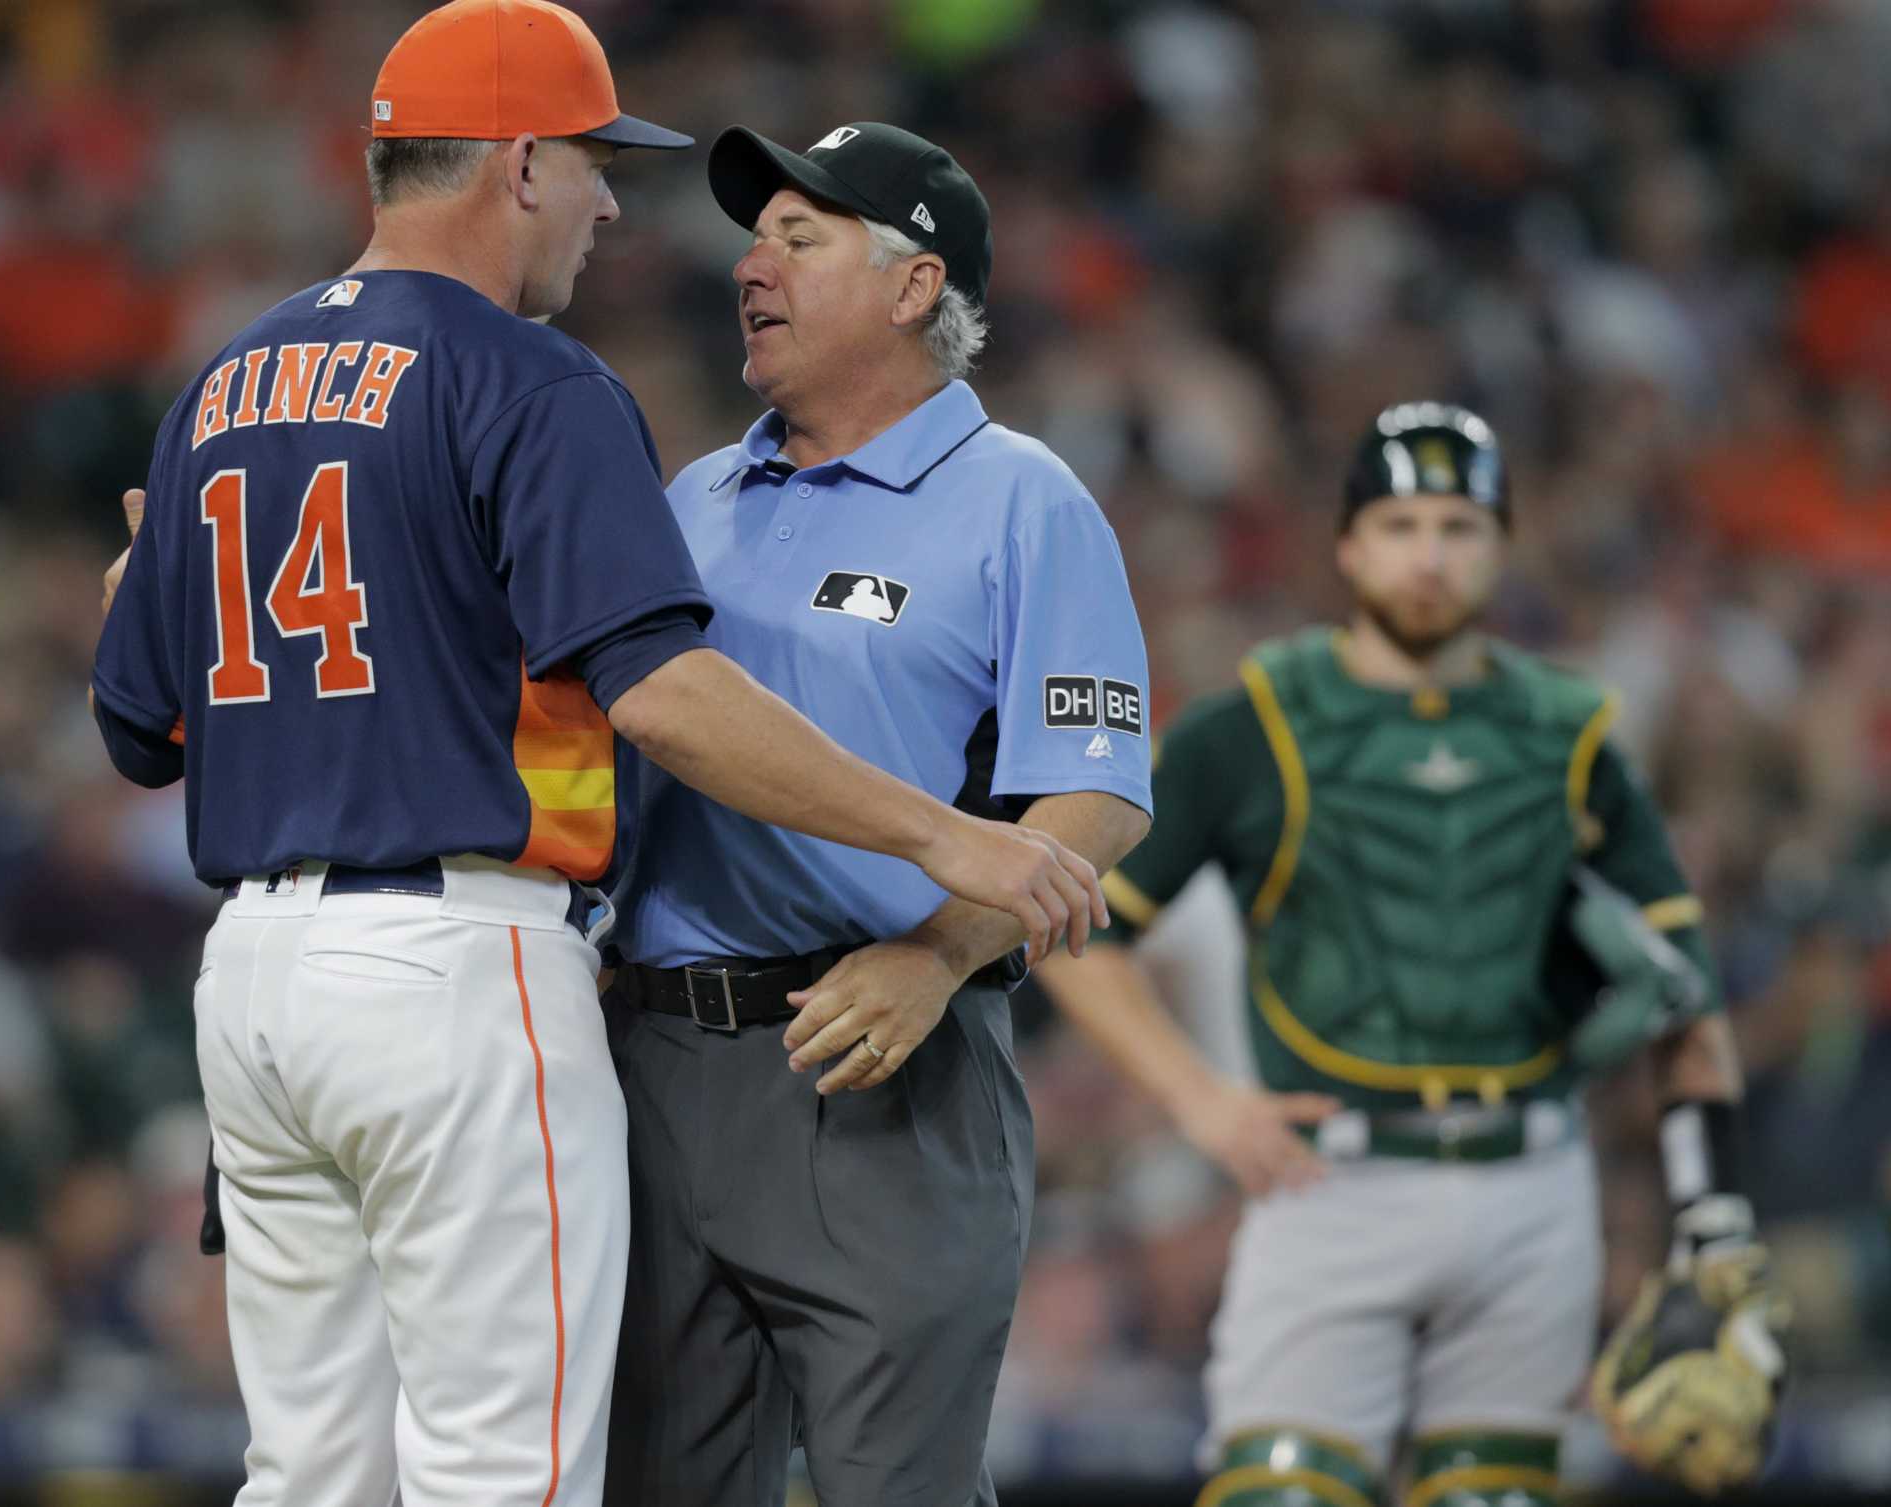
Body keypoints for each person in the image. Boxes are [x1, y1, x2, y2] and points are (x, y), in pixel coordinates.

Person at [87, 9, 1104, 1502]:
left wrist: (141, 591)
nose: (608, 201)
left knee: (307, 1467)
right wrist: (950, 840)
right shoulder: (533, 380)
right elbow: (664, 696)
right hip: (456, 968)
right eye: (587, 163)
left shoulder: (219, 386)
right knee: (506, 1471)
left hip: (252, 987)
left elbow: (135, 723)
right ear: (513, 165)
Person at [1036, 403, 1790, 1507]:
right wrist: (1200, 1103)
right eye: (1398, 524)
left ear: (1499, 543)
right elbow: (1069, 932)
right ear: (1345, 544)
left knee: (1494, 1497)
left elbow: (1681, 985)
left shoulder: (1569, 734)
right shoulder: (1255, 723)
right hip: (1329, 1180)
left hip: (1530, 1183)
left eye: (1456, 524)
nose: (1428, 554)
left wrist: (1710, 1218)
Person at [598, 123, 1154, 1506]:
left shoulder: (1024, 499)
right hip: (657, 1059)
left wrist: (941, 953)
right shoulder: (696, 494)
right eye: (755, 236)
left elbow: (1094, 794)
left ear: (916, 287)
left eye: (801, 236)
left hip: (883, 1071)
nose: (752, 264)